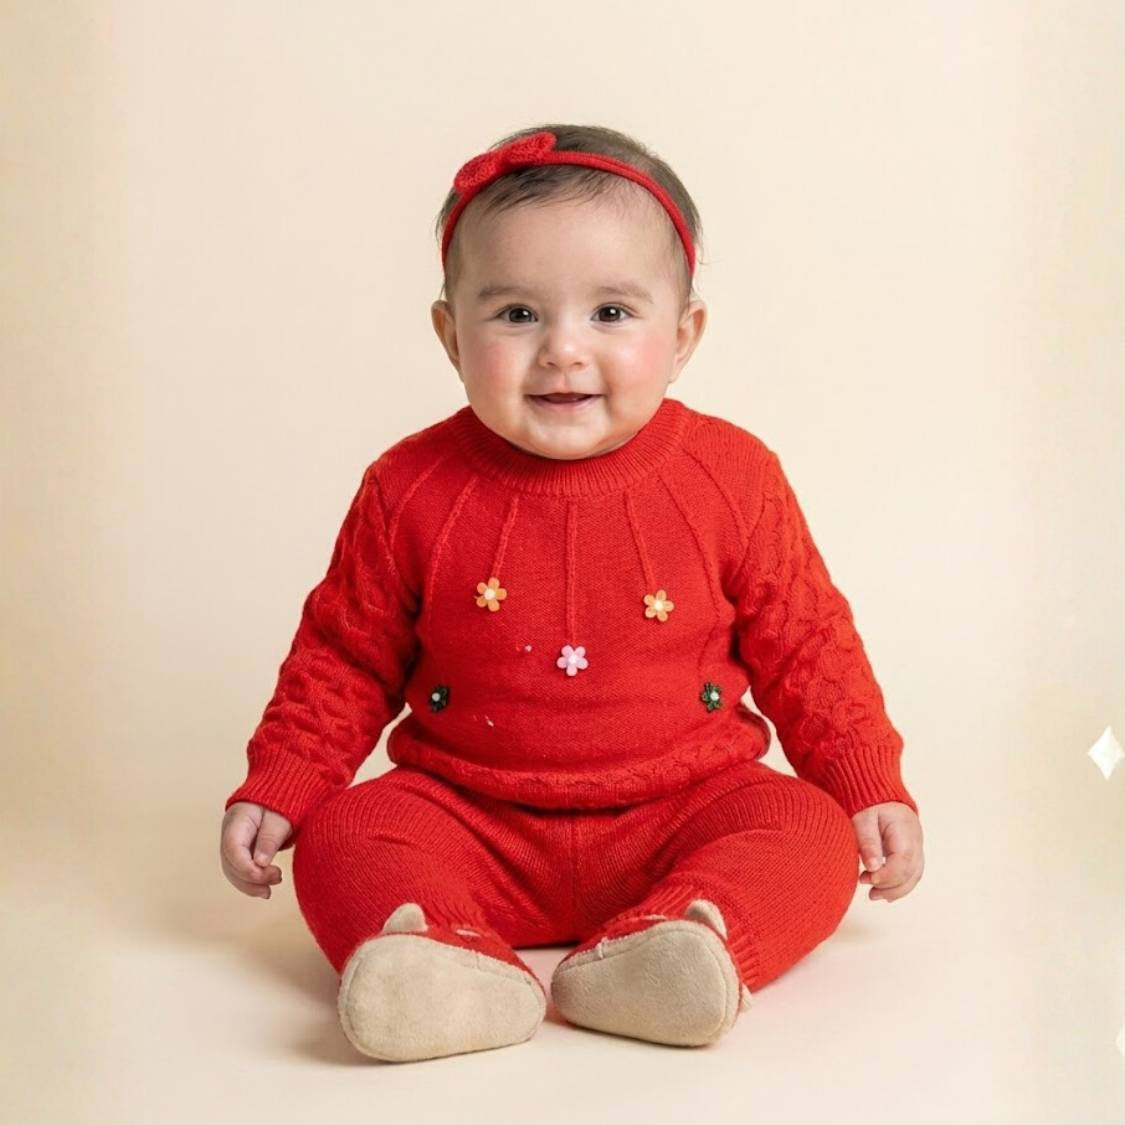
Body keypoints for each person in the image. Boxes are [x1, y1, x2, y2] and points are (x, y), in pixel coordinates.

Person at [219, 123, 924, 1064]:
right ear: (450, 334)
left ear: (682, 337)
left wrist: (862, 779)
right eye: (516, 313)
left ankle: (683, 946)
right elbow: (343, 655)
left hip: (684, 810)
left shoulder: (733, 475)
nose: (561, 349)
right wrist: (287, 780)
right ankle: (442, 962)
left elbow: (806, 644)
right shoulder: (408, 488)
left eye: (610, 312)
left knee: (808, 832)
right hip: (469, 816)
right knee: (345, 835)